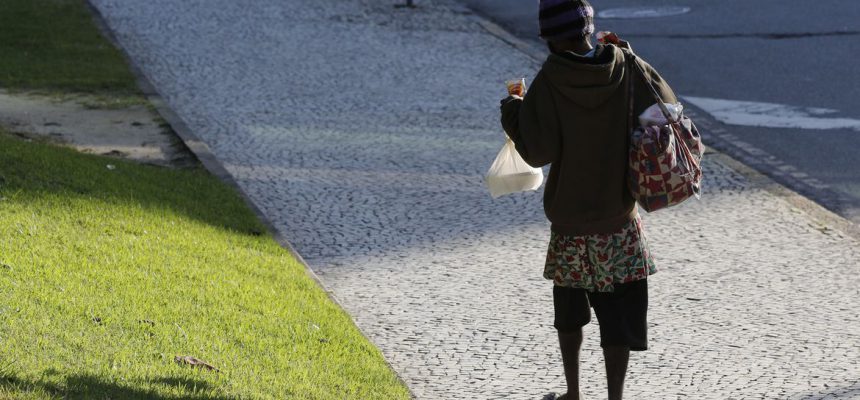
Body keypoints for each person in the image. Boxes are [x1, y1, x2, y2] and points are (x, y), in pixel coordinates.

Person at [499, 1, 679, 399]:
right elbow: (668, 105)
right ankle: (614, 395)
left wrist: (513, 111)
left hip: (571, 223)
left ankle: (574, 393)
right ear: (587, 29)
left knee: (570, 315)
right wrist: (629, 54)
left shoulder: (551, 80)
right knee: (617, 316)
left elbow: (537, 152)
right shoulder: (626, 65)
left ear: (549, 38)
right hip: (619, 219)